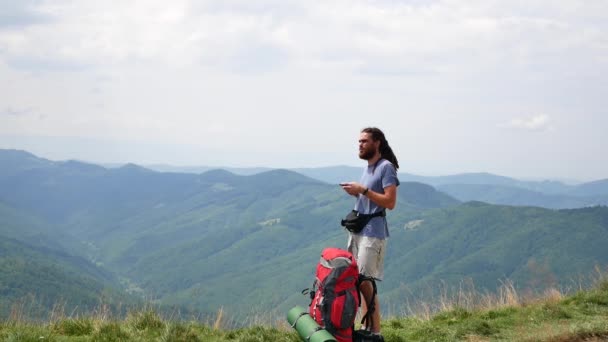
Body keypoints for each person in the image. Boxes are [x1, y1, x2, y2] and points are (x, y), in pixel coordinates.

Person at [341, 127, 399, 339]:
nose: (360, 145)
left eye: (364, 141)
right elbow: (370, 198)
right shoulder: (368, 168)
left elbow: (390, 202)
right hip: (359, 230)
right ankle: (367, 330)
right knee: (359, 280)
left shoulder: (386, 167)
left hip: (373, 232)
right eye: (359, 141)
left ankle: (376, 333)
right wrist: (356, 193)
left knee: (366, 281)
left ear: (377, 143)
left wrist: (363, 190)